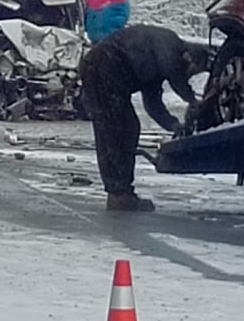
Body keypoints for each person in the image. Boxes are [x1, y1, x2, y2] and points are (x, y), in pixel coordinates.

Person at [80, 25, 209, 211]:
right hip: (103, 67)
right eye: (192, 72)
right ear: (189, 57)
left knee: (128, 128)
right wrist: (193, 100)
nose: (188, 76)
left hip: (106, 72)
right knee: (115, 129)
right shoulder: (169, 43)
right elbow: (173, 70)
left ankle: (121, 191)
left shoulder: (153, 63)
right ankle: (118, 194)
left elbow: (153, 104)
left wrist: (173, 125)